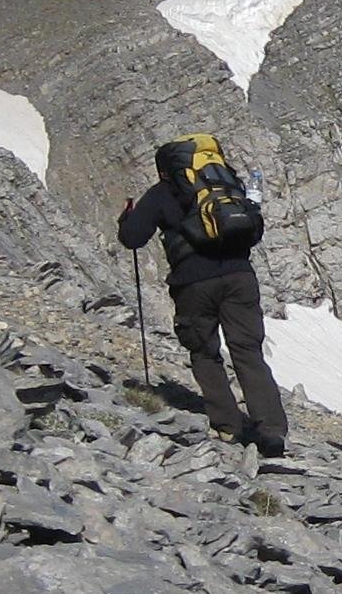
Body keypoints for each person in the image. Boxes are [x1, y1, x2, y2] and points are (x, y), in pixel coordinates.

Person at [118, 139, 288, 457]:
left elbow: (133, 238)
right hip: (240, 277)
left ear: (165, 169)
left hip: (193, 283)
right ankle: (272, 432)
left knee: (204, 352)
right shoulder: (228, 187)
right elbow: (253, 227)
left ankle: (227, 426)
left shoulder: (162, 193)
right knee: (248, 352)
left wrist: (126, 218)